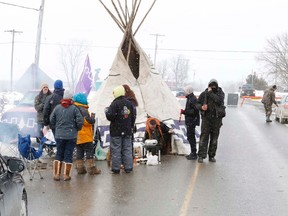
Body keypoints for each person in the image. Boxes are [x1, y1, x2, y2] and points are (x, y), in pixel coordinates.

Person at [50, 90, 84, 181]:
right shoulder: (74, 108)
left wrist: (56, 128)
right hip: (71, 136)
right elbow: (80, 121)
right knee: (68, 154)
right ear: (70, 98)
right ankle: (66, 175)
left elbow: (51, 119)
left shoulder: (57, 108)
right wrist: (77, 128)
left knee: (59, 153)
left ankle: (57, 174)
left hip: (59, 135)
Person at [105, 85, 136, 174]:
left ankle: (116, 168)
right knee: (127, 149)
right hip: (127, 130)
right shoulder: (129, 103)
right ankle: (129, 167)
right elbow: (133, 116)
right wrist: (130, 126)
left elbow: (110, 116)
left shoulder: (114, 104)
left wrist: (106, 112)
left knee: (116, 149)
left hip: (116, 131)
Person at [196, 79, 225, 163]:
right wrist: (201, 107)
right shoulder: (204, 94)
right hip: (206, 119)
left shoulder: (220, 93)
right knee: (204, 138)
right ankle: (201, 155)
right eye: (211, 86)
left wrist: (210, 93)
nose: (212, 88)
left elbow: (219, 101)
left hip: (216, 120)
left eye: (214, 86)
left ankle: (211, 156)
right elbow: (197, 103)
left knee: (214, 139)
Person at [73, 93, 101, 175]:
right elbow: (87, 121)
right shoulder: (83, 109)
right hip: (85, 134)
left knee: (80, 151)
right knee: (89, 151)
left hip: (78, 135)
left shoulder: (74, 108)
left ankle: (80, 168)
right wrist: (92, 119)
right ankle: (92, 168)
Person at [180, 85, 200, 160]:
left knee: (191, 137)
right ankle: (193, 152)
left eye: (185, 91)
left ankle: (193, 153)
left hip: (192, 121)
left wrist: (184, 112)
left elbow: (194, 111)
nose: (184, 93)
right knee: (190, 137)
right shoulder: (190, 98)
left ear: (188, 91)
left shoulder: (192, 99)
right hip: (190, 121)